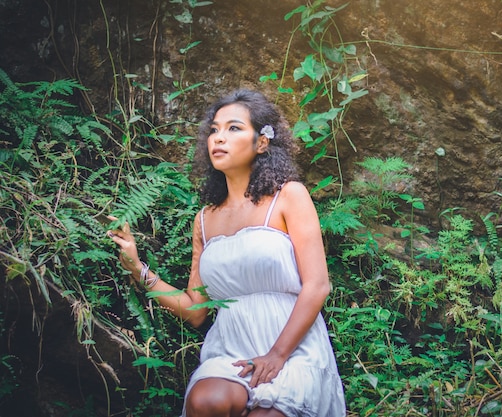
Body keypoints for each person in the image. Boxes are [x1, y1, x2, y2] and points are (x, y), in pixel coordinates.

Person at [108, 89, 346, 417]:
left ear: (261, 142)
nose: (219, 137)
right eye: (214, 130)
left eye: (234, 128)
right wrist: (137, 268)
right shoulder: (205, 219)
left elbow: (317, 285)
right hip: (231, 351)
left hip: (293, 349)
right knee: (206, 402)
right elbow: (195, 310)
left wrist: (276, 355)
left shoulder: (289, 197)